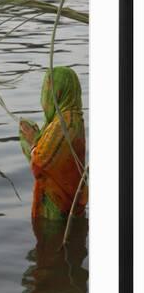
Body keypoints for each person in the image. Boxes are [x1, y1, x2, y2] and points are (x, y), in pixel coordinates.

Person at [19, 66, 88, 220]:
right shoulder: (74, 117)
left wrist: (31, 140)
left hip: (57, 211)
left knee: (49, 242)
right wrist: (39, 138)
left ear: (56, 92)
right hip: (72, 204)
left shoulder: (64, 123)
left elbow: (39, 164)